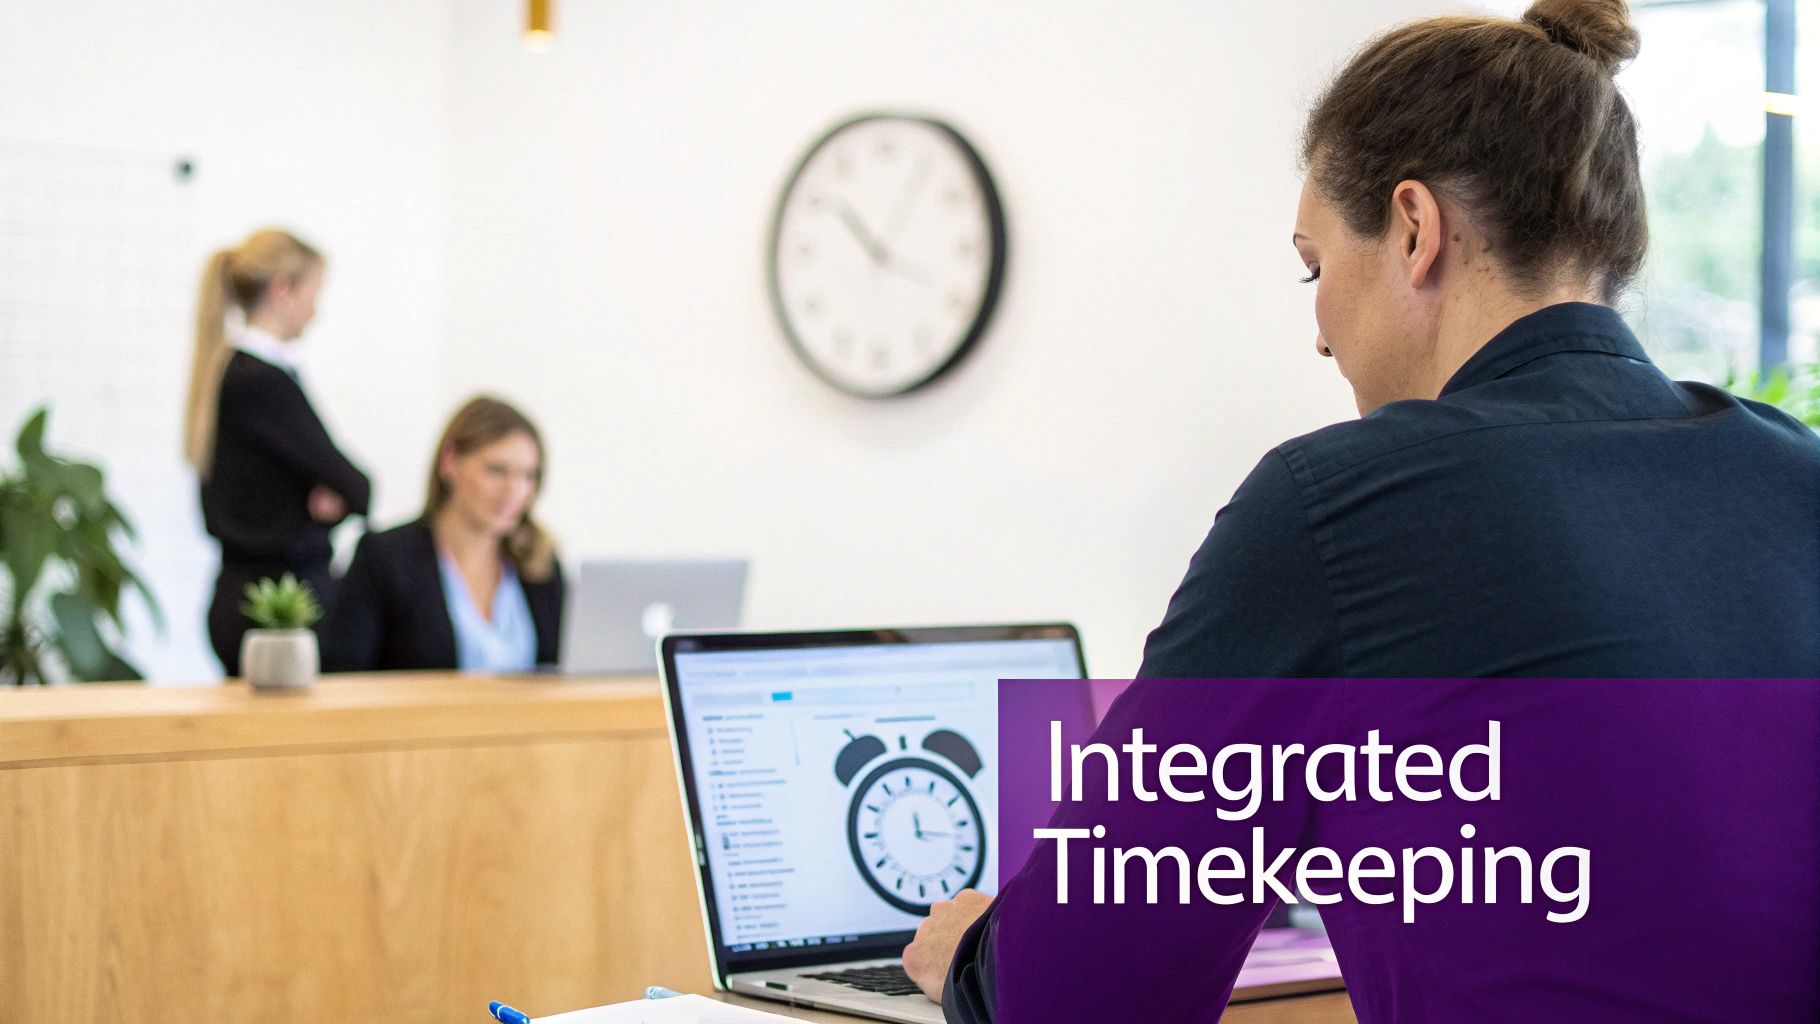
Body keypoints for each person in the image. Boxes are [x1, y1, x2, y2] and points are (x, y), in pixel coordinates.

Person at [904, 0, 1820, 1020]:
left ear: (1414, 229)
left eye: (1314, 264)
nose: (1319, 332)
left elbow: (1077, 995)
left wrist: (971, 961)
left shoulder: (1338, 507)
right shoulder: (1794, 474)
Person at [187, 228, 370, 676]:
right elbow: (357, 487)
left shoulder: (233, 372)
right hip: (276, 614)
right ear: (283, 290)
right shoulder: (261, 380)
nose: (316, 312)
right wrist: (323, 504)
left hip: (247, 599)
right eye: (313, 294)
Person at [318, 397, 564, 672]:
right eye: (497, 470)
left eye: (528, 476)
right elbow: (343, 676)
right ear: (449, 461)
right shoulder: (385, 557)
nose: (514, 492)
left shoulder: (539, 563)